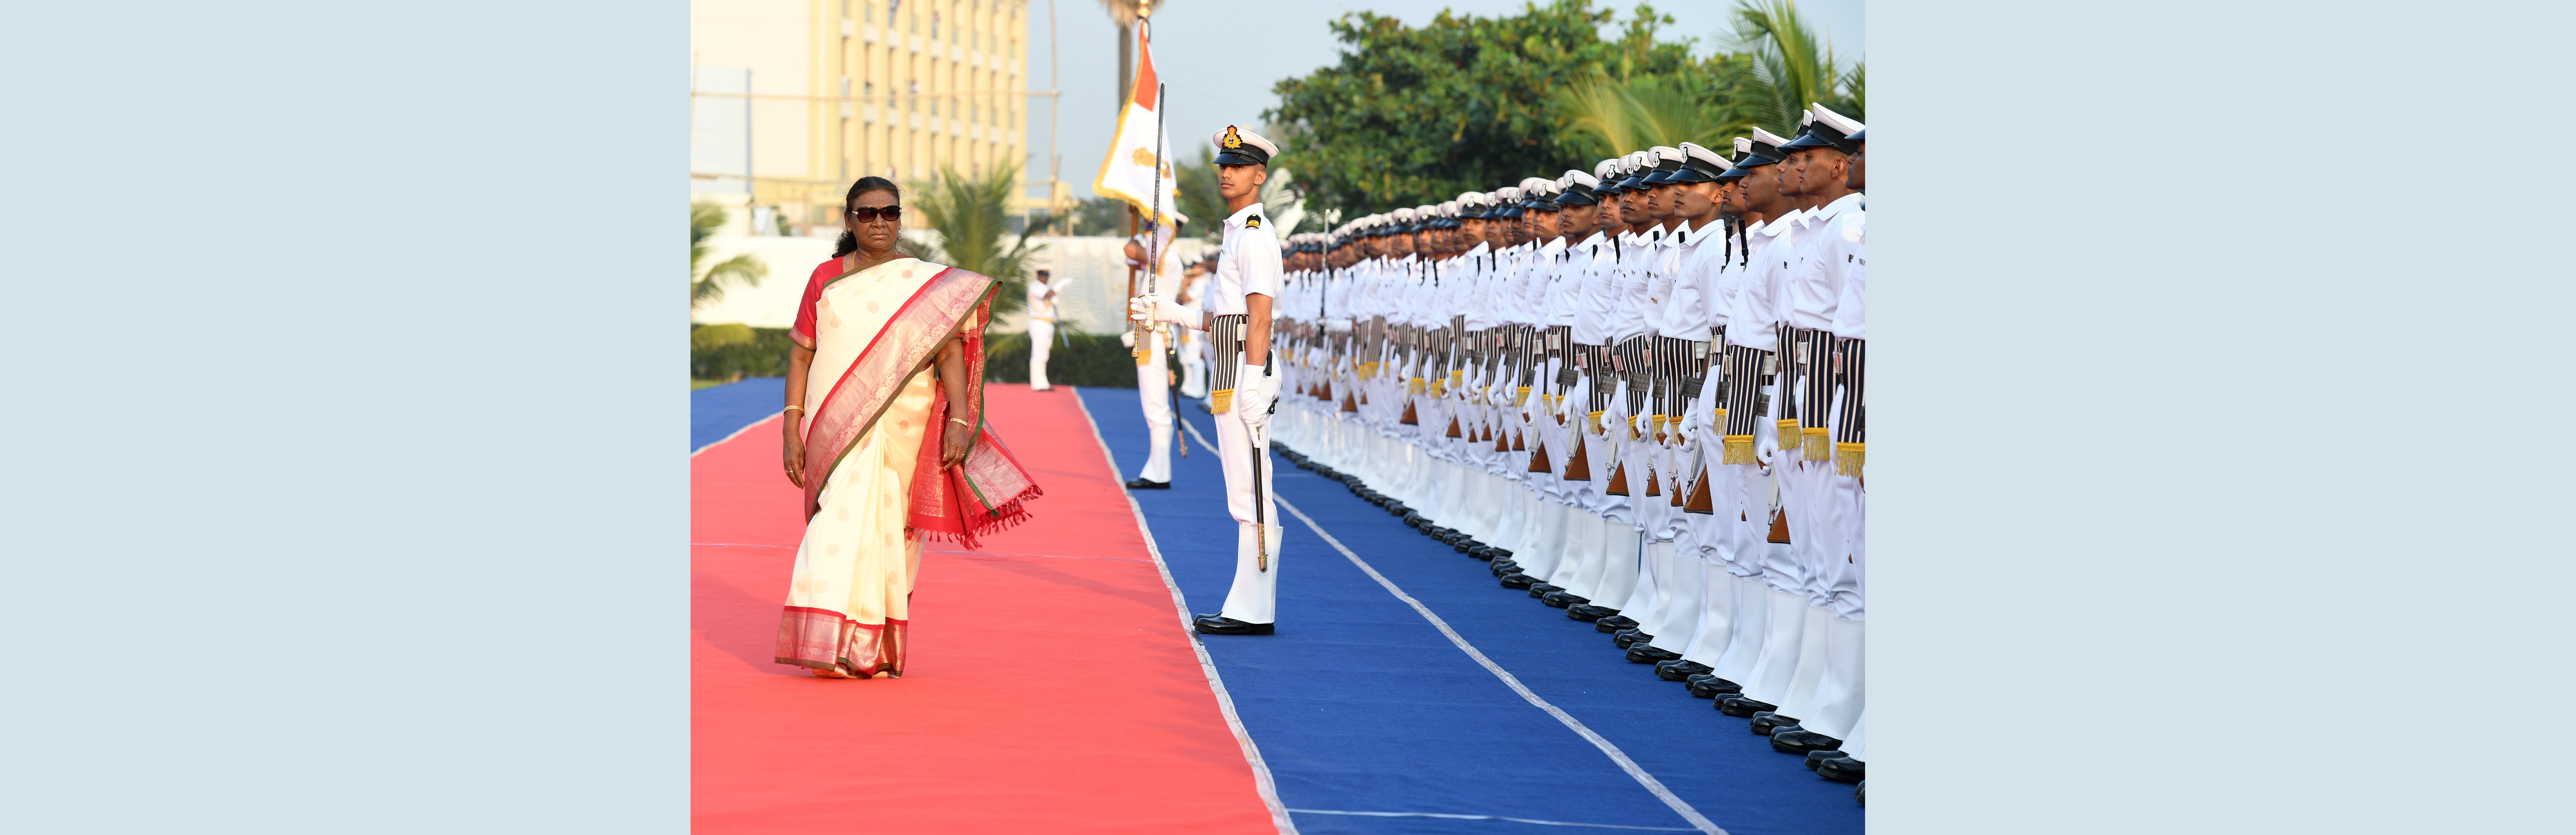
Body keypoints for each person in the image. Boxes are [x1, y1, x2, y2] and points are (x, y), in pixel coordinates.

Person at [774, 176, 1044, 679]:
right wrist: (792, 427)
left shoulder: (926, 283)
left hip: (907, 427)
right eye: (867, 213)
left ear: (901, 217)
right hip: (838, 430)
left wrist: (960, 420)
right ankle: (827, 641)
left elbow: (950, 355)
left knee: (893, 536)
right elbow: (801, 354)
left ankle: (869, 650)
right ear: (849, 220)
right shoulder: (826, 279)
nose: (879, 222)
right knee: (837, 524)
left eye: (889, 212)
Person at [1131, 125, 1286, 635]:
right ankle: (1248, 602)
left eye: (1238, 166)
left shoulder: (1257, 234)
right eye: (1223, 165)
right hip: (1230, 366)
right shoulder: (1238, 231)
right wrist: (1173, 312)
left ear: (1259, 175)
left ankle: (1255, 606)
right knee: (1241, 489)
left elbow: (1259, 318)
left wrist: (1256, 381)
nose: (1227, 173)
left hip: (1245, 369)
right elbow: (1226, 316)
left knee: (1254, 490)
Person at [1026, 269, 1061, 391]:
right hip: (1039, 323)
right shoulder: (1035, 287)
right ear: (1038, 276)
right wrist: (1059, 286)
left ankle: (1043, 382)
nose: (1045, 278)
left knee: (1045, 354)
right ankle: (1037, 383)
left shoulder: (1046, 288)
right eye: (1043, 276)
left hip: (1048, 324)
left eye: (1047, 276)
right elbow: (1046, 296)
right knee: (1038, 353)